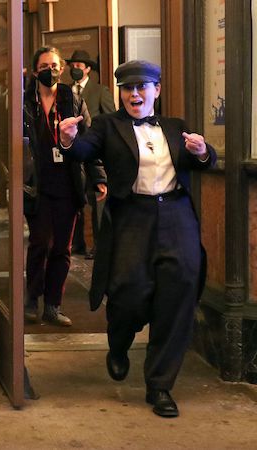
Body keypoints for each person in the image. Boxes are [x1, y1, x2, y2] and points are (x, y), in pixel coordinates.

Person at [58, 60, 216, 417]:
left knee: (177, 295)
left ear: (156, 91)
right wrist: (68, 140)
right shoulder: (108, 126)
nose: (134, 94)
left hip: (176, 217)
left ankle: (159, 385)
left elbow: (205, 160)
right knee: (129, 292)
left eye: (142, 87)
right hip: (132, 217)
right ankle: (119, 342)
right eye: (128, 88)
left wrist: (203, 152)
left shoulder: (176, 128)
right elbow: (84, 150)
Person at [22, 47, 106, 327]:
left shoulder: (72, 100)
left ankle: (53, 305)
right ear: (35, 71)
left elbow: (90, 142)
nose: (51, 70)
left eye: (55, 65)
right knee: (39, 243)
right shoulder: (26, 104)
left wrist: (98, 177)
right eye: (44, 65)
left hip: (68, 182)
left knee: (62, 247)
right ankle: (32, 299)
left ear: (62, 68)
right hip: (38, 183)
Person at [66, 50, 116, 259]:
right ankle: (77, 243)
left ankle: (99, 244)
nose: (76, 68)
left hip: (95, 152)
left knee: (97, 201)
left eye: (80, 65)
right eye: (73, 65)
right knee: (76, 198)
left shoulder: (99, 91)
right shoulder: (66, 92)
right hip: (73, 152)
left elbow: (110, 118)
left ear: (87, 69)